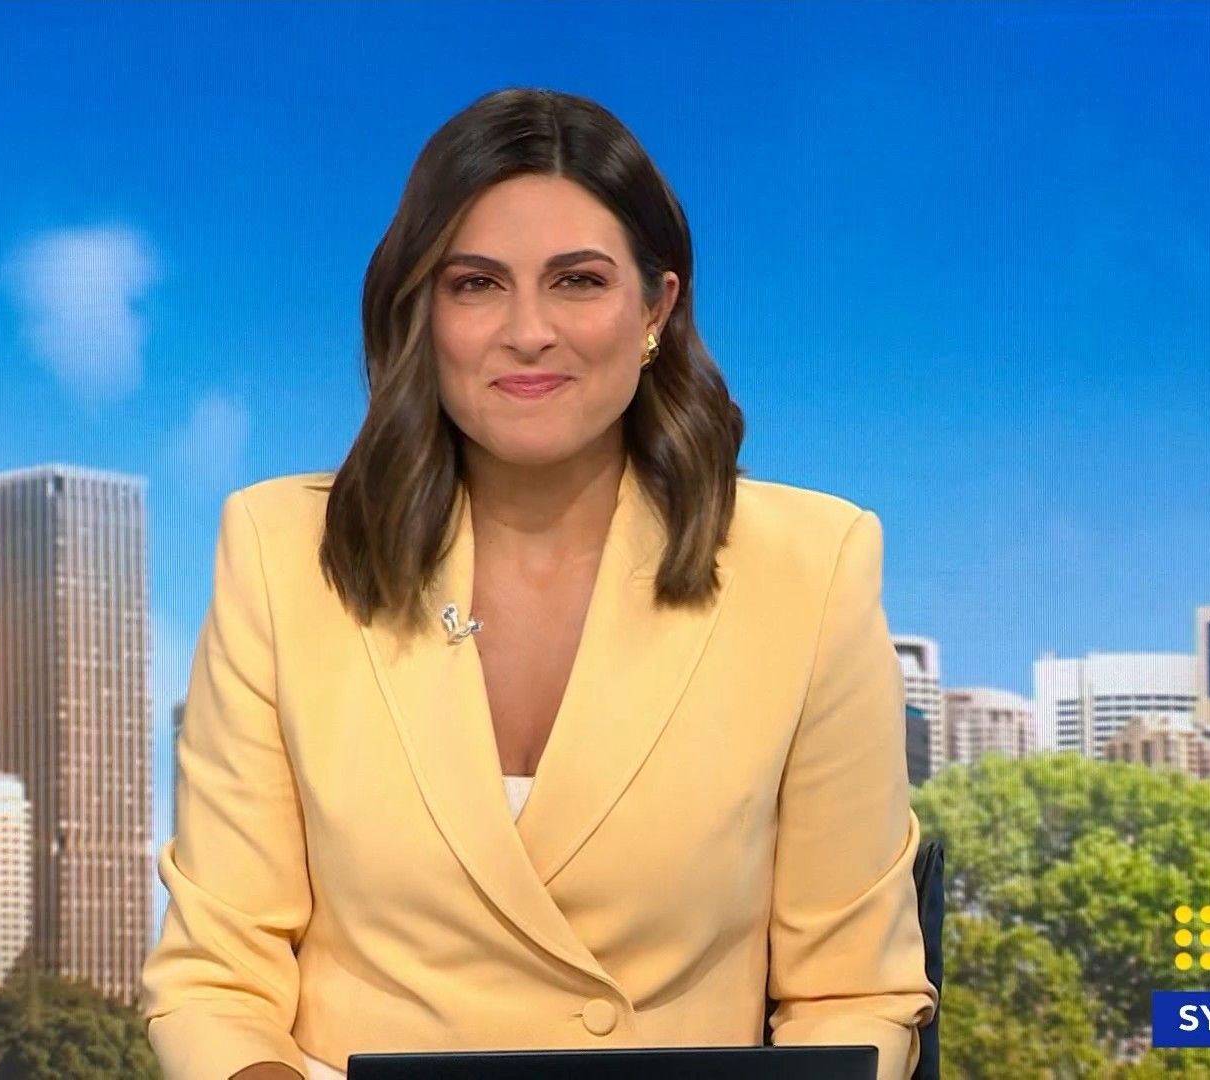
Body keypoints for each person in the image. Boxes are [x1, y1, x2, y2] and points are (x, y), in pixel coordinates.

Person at [139, 87, 936, 1080]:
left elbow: (851, 995)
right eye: (476, 284)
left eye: (578, 281)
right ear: (421, 312)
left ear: (655, 310)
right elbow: (220, 975)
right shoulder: (278, 549)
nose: (528, 331)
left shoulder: (811, 565)